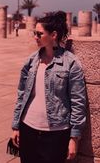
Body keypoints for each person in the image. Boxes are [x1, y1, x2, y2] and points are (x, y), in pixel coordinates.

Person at [11, 11, 86, 163]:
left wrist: (74, 138)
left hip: (56, 133)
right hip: (28, 128)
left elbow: (78, 102)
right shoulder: (31, 61)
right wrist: (16, 126)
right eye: (35, 33)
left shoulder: (70, 63)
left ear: (53, 35)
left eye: (39, 34)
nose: (35, 37)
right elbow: (22, 94)